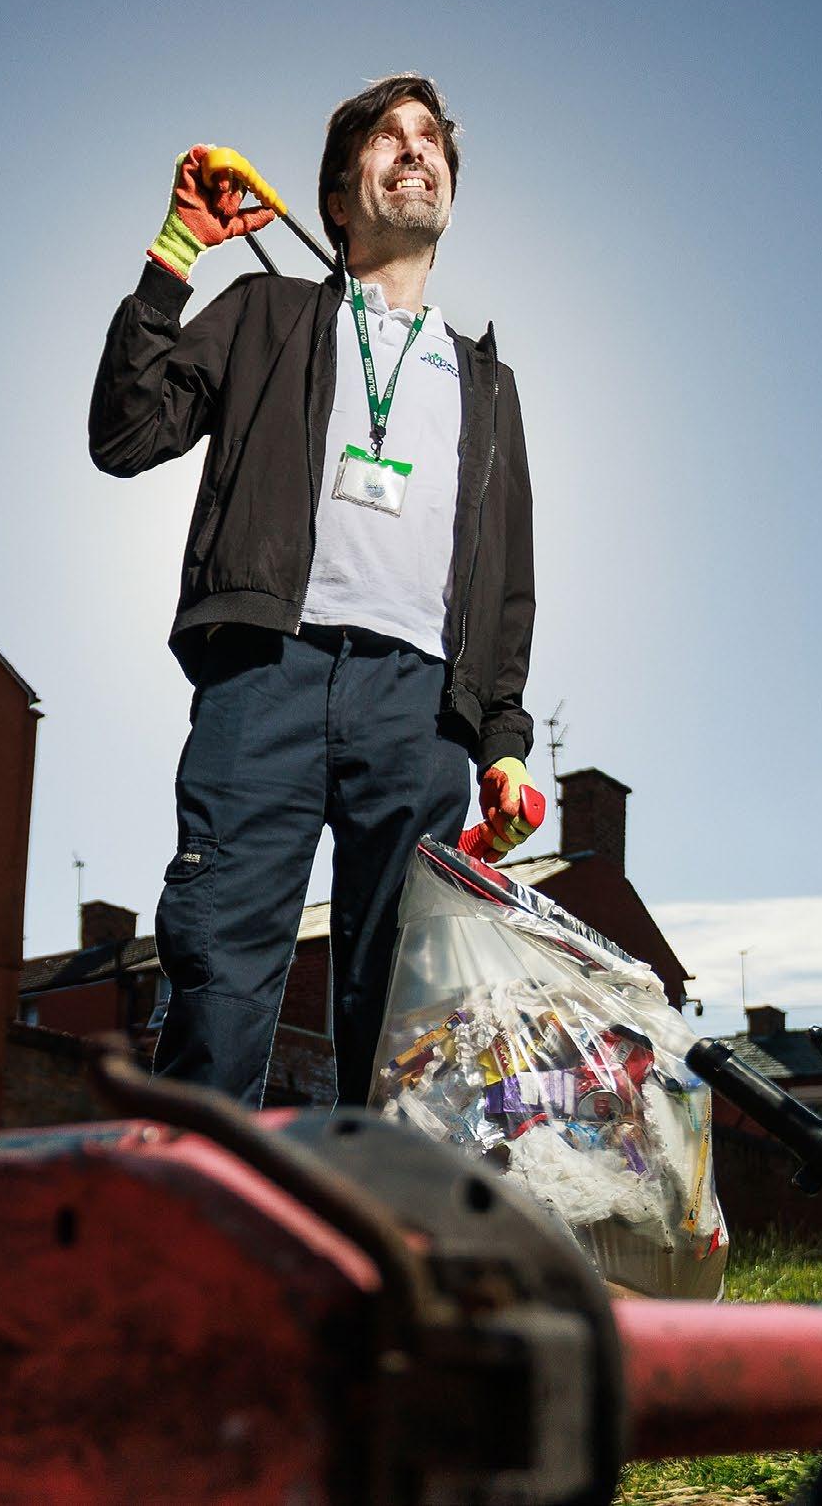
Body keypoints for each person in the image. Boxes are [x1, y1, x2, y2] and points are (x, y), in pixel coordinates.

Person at [88, 73, 542, 1107]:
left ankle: (374, 1207)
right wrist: (177, 251)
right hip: (268, 675)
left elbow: (508, 581)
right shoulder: (268, 312)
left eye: (430, 140)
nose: (415, 151)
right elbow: (126, 432)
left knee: (406, 1018)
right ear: (338, 199)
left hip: (420, 710)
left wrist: (504, 742)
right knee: (218, 975)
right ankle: (200, 1196)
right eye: (387, 138)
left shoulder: (487, 384)